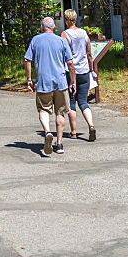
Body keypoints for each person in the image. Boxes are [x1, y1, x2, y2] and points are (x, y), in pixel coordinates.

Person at [24, 16, 76, 156]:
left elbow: (27, 60)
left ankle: (47, 131)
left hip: (43, 82)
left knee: (44, 109)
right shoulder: (61, 41)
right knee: (60, 112)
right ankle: (58, 144)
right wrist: (73, 81)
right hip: (60, 82)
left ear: (42, 27)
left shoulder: (35, 40)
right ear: (54, 28)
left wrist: (29, 79)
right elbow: (70, 63)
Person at [61, 9, 97, 141]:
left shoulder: (65, 34)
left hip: (71, 72)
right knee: (83, 101)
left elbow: (63, 53)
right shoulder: (83, 33)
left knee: (71, 102)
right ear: (75, 19)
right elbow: (89, 53)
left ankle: (74, 131)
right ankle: (91, 126)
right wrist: (91, 68)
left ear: (66, 20)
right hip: (84, 70)